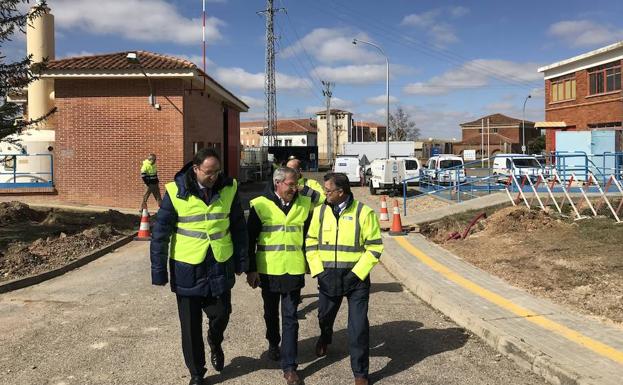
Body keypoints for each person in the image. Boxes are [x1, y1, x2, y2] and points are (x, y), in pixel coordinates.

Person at [150, 148, 248, 385]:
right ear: (195, 169)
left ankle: (215, 341)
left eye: (217, 172)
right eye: (208, 172)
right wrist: (159, 270)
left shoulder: (229, 187)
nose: (213, 177)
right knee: (190, 326)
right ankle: (197, 372)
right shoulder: (175, 192)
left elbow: (238, 226)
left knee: (222, 313)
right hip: (187, 266)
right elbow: (160, 233)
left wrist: (242, 261)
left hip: (219, 263)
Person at [305, 172, 384, 385]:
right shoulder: (320, 212)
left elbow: (375, 247)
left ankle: (360, 373)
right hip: (327, 276)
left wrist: (356, 274)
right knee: (324, 316)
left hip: (356, 280)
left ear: (341, 192)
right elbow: (310, 242)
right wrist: (319, 272)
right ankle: (325, 336)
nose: (325, 194)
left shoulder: (363, 213)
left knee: (358, 327)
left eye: (328, 191)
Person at [246, 167, 313, 385]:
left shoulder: (305, 204)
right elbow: (249, 239)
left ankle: (290, 366)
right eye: (290, 185)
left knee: (291, 317)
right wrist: (251, 269)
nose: (294, 189)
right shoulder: (260, 205)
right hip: (268, 269)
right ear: (278, 183)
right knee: (270, 313)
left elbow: (309, 237)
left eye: (296, 185)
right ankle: (273, 343)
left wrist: (311, 262)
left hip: (293, 269)